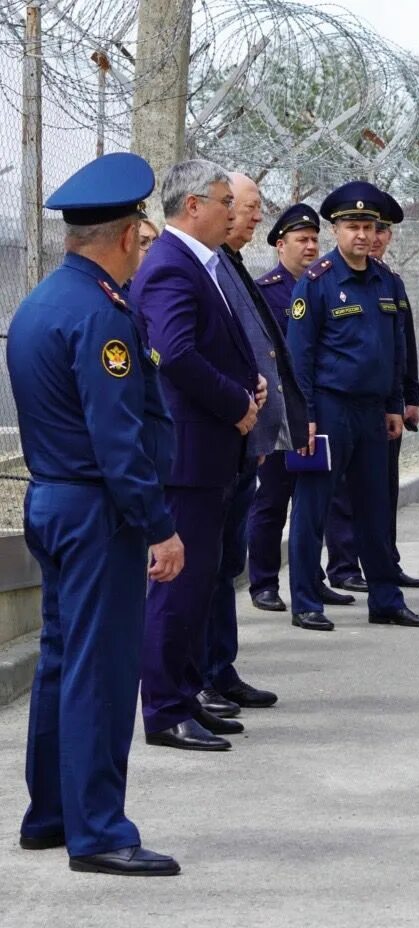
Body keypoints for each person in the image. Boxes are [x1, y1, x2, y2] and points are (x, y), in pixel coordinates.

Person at [7, 152, 183, 875]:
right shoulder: (101, 318)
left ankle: (50, 813)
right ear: (126, 236)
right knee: (102, 673)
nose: (144, 247)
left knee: (60, 664)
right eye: (142, 235)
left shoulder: (43, 301)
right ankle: (100, 831)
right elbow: (118, 443)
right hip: (96, 512)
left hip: (52, 501)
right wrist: (159, 525)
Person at [132, 159, 263, 752]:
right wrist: (236, 399)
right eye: (222, 201)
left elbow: (212, 345)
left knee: (201, 586)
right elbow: (176, 354)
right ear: (192, 206)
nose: (232, 212)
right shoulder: (170, 267)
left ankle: (185, 696)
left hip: (212, 452)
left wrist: (248, 383)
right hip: (188, 457)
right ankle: (163, 709)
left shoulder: (201, 263)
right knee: (178, 590)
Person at [285, 181, 419, 631]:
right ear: (336, 230)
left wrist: (395, 405)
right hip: (327, 411)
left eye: (369, 226)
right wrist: (304, 417)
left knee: (376, 508)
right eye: (352, 226)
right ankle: (307, 601)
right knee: (313, 509)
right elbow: (299, 358)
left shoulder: (387, 281)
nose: (362, 235)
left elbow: (393, 350)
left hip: (372, 413)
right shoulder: (317, 283)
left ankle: (386, 598)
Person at [199, 172, 305, 714]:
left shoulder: (230, 265)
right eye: (246, 205)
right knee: (205, 569)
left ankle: (221, 668)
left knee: (224, 566)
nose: (256, 215)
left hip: (245, 442)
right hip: (215, 443)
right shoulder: (205, 268)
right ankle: (200, 677)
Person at [248, 203, 359, 613]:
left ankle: (311, 579)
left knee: (317, 501)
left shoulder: (325, 286)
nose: (311, 246)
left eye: (315, 239)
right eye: (302, 239)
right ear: (281, 245)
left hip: (314, 410)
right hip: (279, 415)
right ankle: (262, 582)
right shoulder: (266, 291)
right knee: (273, 499)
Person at [369, 190, 419, 588]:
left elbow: (404, 344)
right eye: (366, 228)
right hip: (349, 402)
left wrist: (413, 397)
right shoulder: (329, 280)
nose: (374, 237)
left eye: (382, 230)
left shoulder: (393, 282)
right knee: (344, 496)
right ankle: (344, 566)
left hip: (390, 402)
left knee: (385, 488)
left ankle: (387, 561)